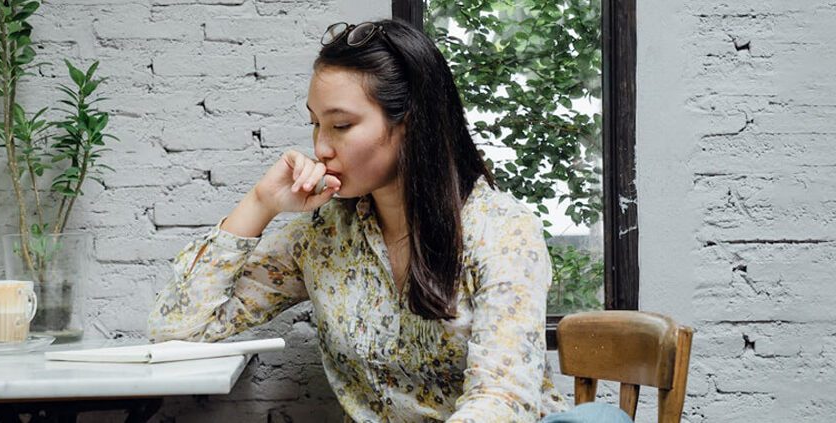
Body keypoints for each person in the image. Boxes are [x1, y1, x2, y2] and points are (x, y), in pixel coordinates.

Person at [148, 18, 633, 423]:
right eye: (315, 123)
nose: (320, 147)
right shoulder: (322, 236)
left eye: (341, 125)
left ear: (411, 122)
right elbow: (177, 330)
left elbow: (500, 401)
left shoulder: (500, 230)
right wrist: (260, 203)